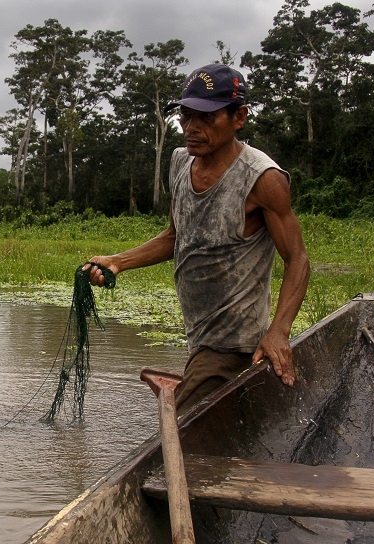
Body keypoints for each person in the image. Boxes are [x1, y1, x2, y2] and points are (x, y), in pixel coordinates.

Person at [84, 63, 310, 411]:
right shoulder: (179, 163)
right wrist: (117, 262)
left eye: (206, 118)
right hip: (200, 335)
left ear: (239, 118)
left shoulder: (261, 178)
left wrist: (279, 331)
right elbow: (176, 236)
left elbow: (297, 259)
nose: (192, 128)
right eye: (186, 116)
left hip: (233, 342)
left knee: (175, 439)